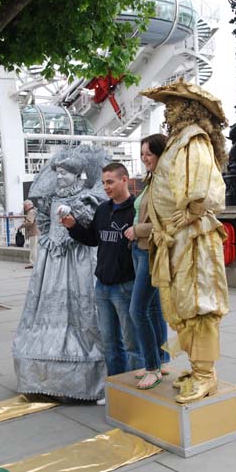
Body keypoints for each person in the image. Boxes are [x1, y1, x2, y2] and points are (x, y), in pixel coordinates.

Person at [140, 80, 229, 404]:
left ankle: (205, 375)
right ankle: (198, 368)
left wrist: (184, 218)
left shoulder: (193, 139)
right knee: (183, 305)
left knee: (198, 304)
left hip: (192, 240)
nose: (169, 108)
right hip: (178, 240)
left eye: (175, 103)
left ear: (190, 108)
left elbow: (203, 191)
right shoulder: (180, 139)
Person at [12, 146, 108, 401]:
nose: (59, 177)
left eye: (65, 173)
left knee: (81, 312)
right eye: (58, 172)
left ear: (78, 175)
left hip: (78, 262)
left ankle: (87, 376)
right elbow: (44, 223)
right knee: (46, 311)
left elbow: (90, 229)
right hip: (51, 264)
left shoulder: (88, 197)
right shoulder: (51, 199)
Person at [62, 162, 144, 395]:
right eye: (104, 182)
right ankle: (116, 391)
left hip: (126, 286)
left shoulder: (136, 210)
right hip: (103, 287)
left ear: (124, 180)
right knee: (110, 343)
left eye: (110, 182)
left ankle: (136, 392)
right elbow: (92, 239)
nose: (106, 187)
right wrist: (73, 226)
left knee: (132, 344)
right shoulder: (102, 210)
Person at [123, 134, 169, 390]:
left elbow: (168, 223)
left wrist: (137, 230)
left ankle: (152, 367)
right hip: (140, 251)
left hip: (151, 251)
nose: (144, 159)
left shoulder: (166, 183)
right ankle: (158, 363)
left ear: (161, 154)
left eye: (148, 154)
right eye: (142, 155)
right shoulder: (153, 180)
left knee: (136, 310)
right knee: (150, 310)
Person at [18, 199, 39, 269]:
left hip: (33, 232)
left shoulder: (31, 212)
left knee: (33, 248)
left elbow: (30, 222)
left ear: (28, 205)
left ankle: (32, 262)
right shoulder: (35, 210)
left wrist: (22, 225)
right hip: (38, 231)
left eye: (25, 206)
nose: (24, 208)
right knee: (36, 247)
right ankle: (37, 262)